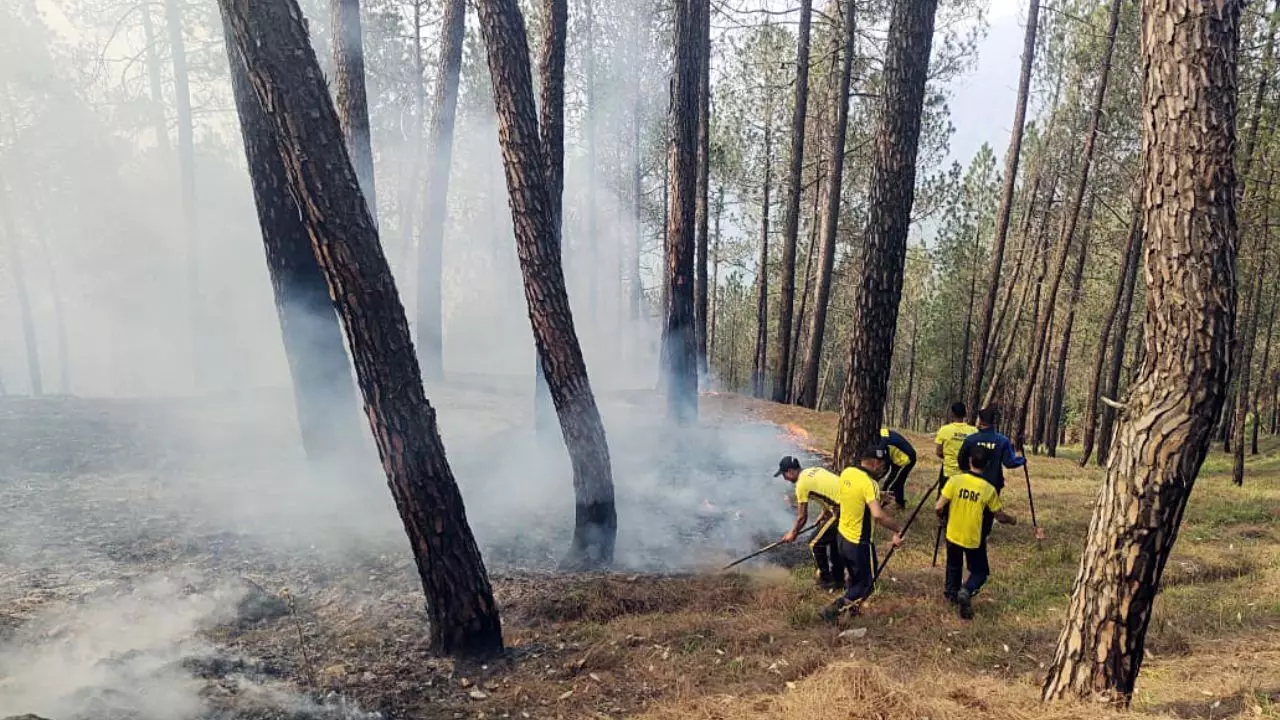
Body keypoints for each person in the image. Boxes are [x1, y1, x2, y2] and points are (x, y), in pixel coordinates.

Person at [820, 441, 905, 623]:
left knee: (854, 576)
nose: (882, 469)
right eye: (882, 465)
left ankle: (852, 608)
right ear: (874, 462)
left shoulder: (847, 472)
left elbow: (855, 496)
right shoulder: (870, 483)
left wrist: (878, 496)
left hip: (842, 537)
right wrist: (899, 529)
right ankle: (834, 609)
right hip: (859, 543)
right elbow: (878, 516)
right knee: (867, 584)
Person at [935, 444, 1017, 619]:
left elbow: (938, 506)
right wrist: (1012, 520)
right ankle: (967, 589)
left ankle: (951, 595)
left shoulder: (955, 481)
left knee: (953, 565)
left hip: (953, 533)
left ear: (970, 461)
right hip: (974, 537)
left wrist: (942, 517)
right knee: (980, 571)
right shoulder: (988, 489)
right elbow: (999, 516)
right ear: (987, 465)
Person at [775, 456, 846, 590]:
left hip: (841, 510)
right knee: (833, 543)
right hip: (848, 504)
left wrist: (793, 533)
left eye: (784, 475)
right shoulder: (815, 470)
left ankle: (826, 581)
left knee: (814, 543)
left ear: (790, 471)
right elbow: (829, 491)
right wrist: (823, 513)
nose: (785, 478)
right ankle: (838, 580)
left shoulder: (801, 484)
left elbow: (802, 517)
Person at [957, 406, 1025, 494]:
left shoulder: (971, 439)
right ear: (993, 422)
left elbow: (961, 460)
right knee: (992, 507)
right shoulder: (1003, 441)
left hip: (972, 483)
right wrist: (1022, 460)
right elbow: (1009, 462)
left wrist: (967, 472)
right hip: (993, 484)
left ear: (980, 421)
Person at [934, 402, 978, 483]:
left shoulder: (944, 430)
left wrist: (949, 458)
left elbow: (939, 452)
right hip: (966, 472)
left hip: (949, 472)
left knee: (944, 495)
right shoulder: (974, 431)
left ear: (952, 414)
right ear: (965, 414)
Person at [879, 427, 917, 510]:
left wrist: (878, 477)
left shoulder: (882, 442)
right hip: (896, 457)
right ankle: (900, 503)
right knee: (896, 481)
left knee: (894, 484)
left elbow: (885, 466)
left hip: (906, 459)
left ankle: (882, 504)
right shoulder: (882, 432)